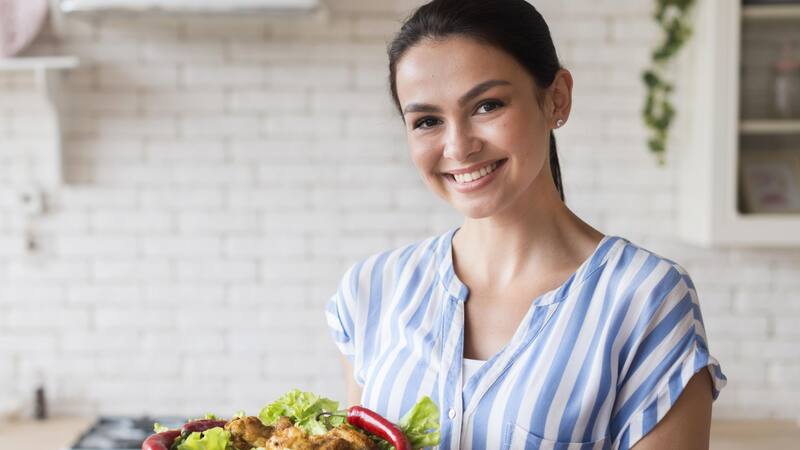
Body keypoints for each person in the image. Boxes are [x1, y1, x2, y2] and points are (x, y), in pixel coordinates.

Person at [325, 1, 727, 448]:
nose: (458, 147)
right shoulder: (371, 291)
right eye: (428, 121)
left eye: (487, 105)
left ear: (557, 98)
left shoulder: (644, 298)